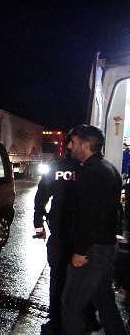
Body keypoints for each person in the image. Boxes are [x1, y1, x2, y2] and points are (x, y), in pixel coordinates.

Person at [61, 124, 126, 335]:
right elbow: (113, 211)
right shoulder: (108, 169)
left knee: (71, 303)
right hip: (104, 246)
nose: (69, 146)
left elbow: (89, 217)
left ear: (86, 144)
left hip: (92, 251)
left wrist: (80, 251)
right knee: (104, 300)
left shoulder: (92, 173)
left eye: (74, 142)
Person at [33, 131, 100, 333]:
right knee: (85, 280)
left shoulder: (56, 168)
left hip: (61, 234)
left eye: (72, 142)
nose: (70, 146)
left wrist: (38, 224)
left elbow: (41, 197)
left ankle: (56, 320)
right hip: (82, 236)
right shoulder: (89, 169)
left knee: (58, 278)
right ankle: (86, 319)